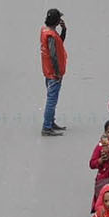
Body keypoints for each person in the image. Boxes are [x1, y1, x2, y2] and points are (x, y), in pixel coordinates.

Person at [40, 8, 68, 136]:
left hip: (49, 72)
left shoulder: (48, 31)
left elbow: (59, 43)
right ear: (57, 20)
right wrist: (57, 72)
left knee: (52, 99)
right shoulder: (51, 35)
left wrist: (64, 30)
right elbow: (53, 55)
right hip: (53, 74)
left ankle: (51, 122)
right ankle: (47, 127)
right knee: (52, 101)